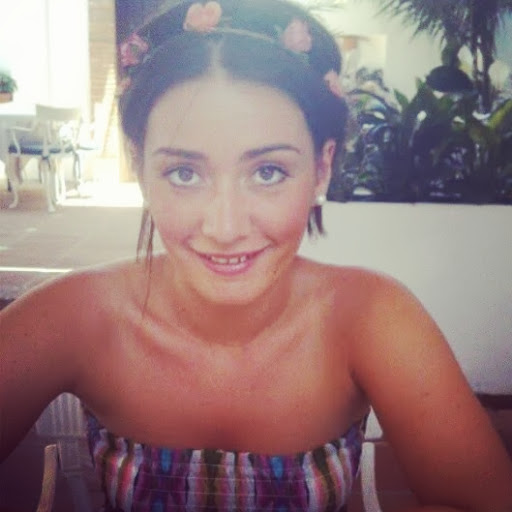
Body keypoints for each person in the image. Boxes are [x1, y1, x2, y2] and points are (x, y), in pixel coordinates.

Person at [1, 0, 512, 511]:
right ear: (140, 167)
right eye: (184, 173)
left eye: (268, 172)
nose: (225, 229)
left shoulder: (373, 316)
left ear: (322, 167)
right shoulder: (74, 315)